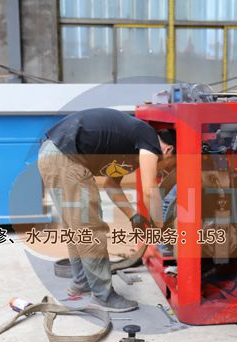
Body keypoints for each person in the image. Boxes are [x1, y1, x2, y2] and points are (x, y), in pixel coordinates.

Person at [38, 108, 176, 312]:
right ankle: (103, 296)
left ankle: (82, 282)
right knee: (91, 228)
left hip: (54, 155)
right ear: (169, 150)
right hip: (65, 158)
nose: (164, 171)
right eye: (170, 166)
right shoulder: (149, 139)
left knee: (78, 227)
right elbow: (150, 191)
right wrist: (159, 227)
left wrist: (133, 216)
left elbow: (111, 185)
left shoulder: (131, 148)